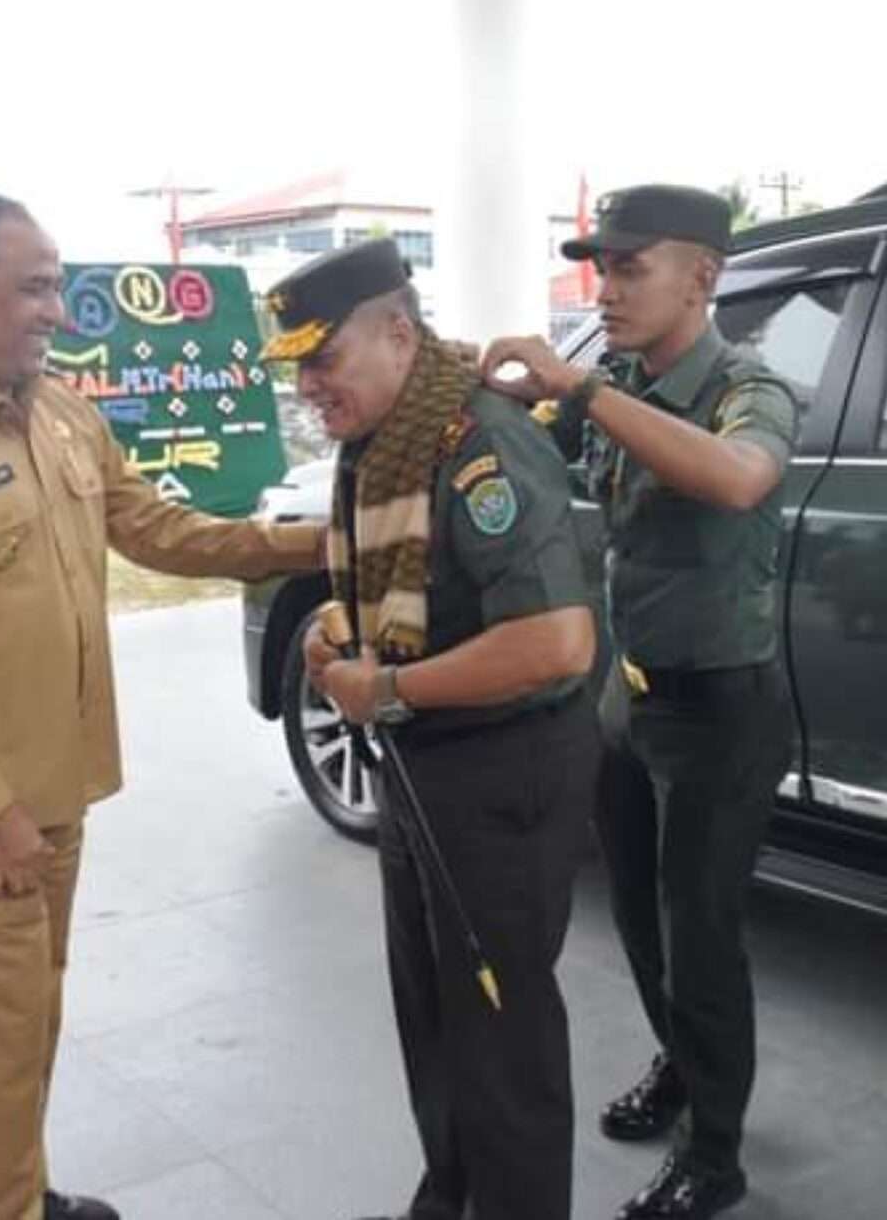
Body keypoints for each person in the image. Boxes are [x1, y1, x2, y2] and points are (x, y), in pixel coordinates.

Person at [0, 194, 323, 1220]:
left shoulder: (57, 411)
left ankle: (24, 1192)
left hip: (51, 792)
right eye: (37, 286)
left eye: (60, 284)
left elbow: (156, 528)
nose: (58, 308)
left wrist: (312, 543)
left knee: (26, 1021)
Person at [483, 185, 800, 1220]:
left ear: (702, 276)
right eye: (600, 267)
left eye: (630, 268)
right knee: (641, 922)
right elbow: (545, 458)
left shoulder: (747, 387)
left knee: (702, 933)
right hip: (630, 699)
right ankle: (683, 1061)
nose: (605, 288)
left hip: (722, 711)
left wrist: (579, 388)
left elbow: (737, 479)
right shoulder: (616, 380)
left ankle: (716, 1155)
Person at [280, 239, 602, 1220]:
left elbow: (555, 640)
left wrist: (392, 686)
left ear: (397, 332)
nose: (307, 386)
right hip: (422, 766)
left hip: (500, 770)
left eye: (321, 357)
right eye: (296, 365)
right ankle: (450, 1197)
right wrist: (347, 631)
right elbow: (400, 590)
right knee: (433, 1011)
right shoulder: (383, 443)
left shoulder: (479, 444)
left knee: (502, 1034)